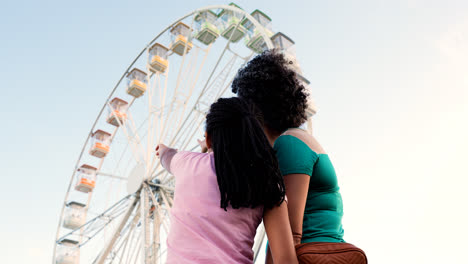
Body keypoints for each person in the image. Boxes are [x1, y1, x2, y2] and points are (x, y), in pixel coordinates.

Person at [232, 50, 367, 263]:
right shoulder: (299, 139)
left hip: (310, 257)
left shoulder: (289, 144)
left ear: (254, 108)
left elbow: (291, 234)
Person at [155, 97, 298, 264]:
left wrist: (163, 150)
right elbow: (285, 260)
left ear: (208, 139)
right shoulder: (267, 183)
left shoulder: (186, 163)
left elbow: (168, 156)